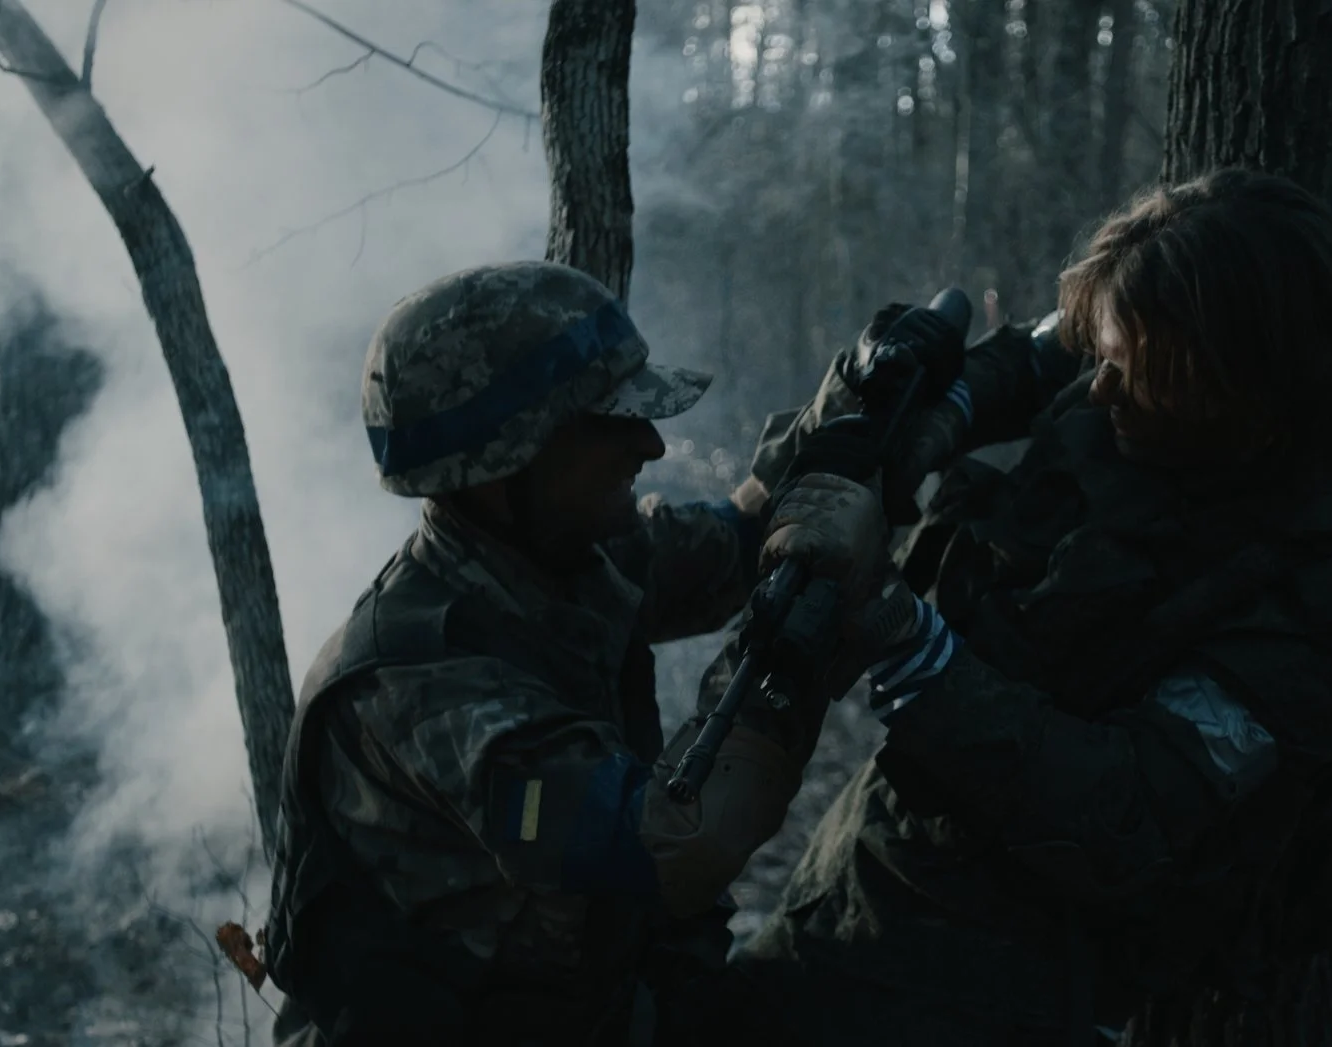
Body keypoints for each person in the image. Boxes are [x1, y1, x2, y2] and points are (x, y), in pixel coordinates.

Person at [725, 169, 1332, 1044]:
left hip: (1022, 978)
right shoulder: (1163, 353)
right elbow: (1053, 350)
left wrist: (895, 626)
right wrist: (948, 408)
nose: (1097, 391)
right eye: (1104, 360)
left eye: (1127, 376)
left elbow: (1128, 813)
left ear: (1235, 395)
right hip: (880, 869)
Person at [262, 260, 877, 1046]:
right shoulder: (419, 686)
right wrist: (798, 632)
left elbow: (732, 544)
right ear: (505, 461)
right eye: (612, 421)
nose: (651, 443)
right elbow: (682, 841)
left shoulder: (560, 552)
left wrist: (851, 415)